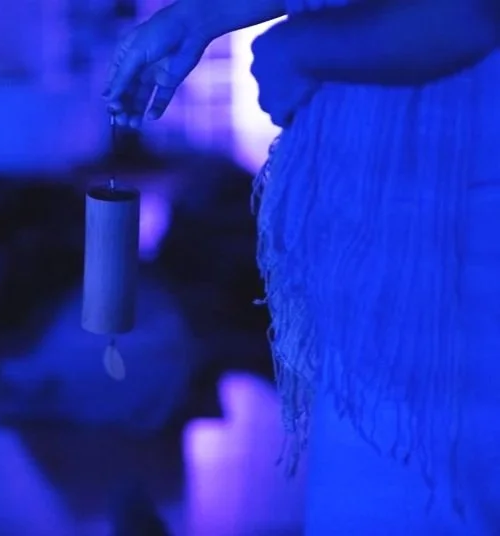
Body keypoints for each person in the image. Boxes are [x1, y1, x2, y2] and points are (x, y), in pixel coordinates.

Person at [104, 0, 499, 533]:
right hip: (389, 270)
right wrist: (197, 18)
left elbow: (472, 16)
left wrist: (303, 47)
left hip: (452, 260)